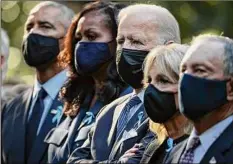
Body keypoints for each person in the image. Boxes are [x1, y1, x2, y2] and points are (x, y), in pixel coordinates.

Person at [67, 4, 181, 163]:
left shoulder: (171, 108)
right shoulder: (109, 110)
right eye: (121, 41)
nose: (125, 49)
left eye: (136, 41)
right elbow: (75, 160)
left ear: (167, 48)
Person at [44, 1, 131, 164]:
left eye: (91, 36)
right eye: (78, 38)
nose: (81, 44)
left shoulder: (131, 103)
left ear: (118, 41)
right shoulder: (74, 99)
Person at [2, 2, 74, 164]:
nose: (33, 33)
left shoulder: (84, 101)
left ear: (68, 38)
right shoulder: (11, 108)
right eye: (28, 28)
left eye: (45, 26)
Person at [164, 35, 233, 163]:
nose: (186, 79)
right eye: (183, 70)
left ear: (230, 89)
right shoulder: (175, 154)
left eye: (200, 70)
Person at [137, 44, 191, 164]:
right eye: (149, 81)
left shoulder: (202, 148)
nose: (151, 89)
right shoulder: (153, 148)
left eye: (163, 80)